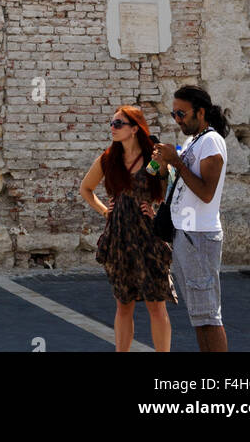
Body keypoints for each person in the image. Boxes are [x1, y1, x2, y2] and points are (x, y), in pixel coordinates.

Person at [81, 104, 174, 353]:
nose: (113, 128)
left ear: (134, 129)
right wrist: (104, 211)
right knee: (124, 304)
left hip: (148, 236)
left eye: (118, 124)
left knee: (156, 304)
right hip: (119, 237)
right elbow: (86, 188)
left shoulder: (152, 158)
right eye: (111, 124)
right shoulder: (108, 159)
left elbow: (168, 191)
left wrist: (157, 210)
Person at [152, 84, 230, 354]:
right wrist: (165, 167)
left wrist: (178, 162)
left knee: (209, 315)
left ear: (201, 111)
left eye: (182, 114)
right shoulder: (191, 142)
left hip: (199, 237)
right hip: (184, 235)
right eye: (174, 114)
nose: (177, 120)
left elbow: (207, 193)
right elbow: (174, 191)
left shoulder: (211, 141)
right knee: (199, 316)